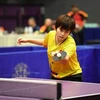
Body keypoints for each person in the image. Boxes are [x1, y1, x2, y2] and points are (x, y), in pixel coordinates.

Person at [18, 14, 82, 82]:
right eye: (61, 30)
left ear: (69, 32)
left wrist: (56, 55)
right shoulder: (51, 34)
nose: (62, 34)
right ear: (56, 27)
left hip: (72, 76)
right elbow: (44, 43)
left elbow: (65, 59)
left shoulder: (70, 42)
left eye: (66, 32)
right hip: (56, 75)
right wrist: (28, 40)